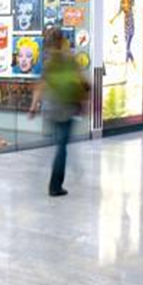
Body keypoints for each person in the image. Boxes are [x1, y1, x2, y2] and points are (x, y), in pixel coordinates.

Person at [30, 30, 89, 198]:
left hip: (50, 109)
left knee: (59, 143)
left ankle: (62, 170)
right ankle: (55, 186)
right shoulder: (70, 59)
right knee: (62, 147)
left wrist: (33, 106)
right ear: (62, 40)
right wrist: (84, 103)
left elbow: (40, 85)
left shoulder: (48, 62)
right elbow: (81, 82)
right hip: (66, 108)